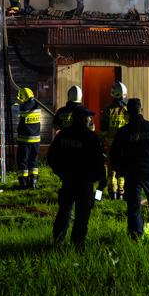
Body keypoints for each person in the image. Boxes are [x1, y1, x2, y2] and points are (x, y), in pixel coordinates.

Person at [110, 98, 149, 239]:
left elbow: (114, 154)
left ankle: (135, 236)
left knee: (133, 207)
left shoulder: (123, 132)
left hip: (131, 174)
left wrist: (120, 171)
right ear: (141, 110)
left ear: (128, 112)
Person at [47, 104, 107, 246]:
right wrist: (102, 180)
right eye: (88, 117)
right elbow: (98, 161)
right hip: (85, 183)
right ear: (83, 120)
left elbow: (52, 157)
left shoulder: (63, 135)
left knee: (64, 212)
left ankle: (58, 241)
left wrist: (61, 173)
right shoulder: (91, 137)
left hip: (68, 181)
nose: (90, 120)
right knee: (82, 216)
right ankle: (77, 244)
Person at [101, 81, 130, 200]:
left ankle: (113, 193)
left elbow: (103, 129)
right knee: (123, 168)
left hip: (112, 145)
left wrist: (101, 143)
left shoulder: (108, 109)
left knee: (112, 169)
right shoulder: (128, 109)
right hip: (126, 145)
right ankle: (121, 193)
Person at [15, 87, 42, 189]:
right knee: (34, 160)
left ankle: (23, 183)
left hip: (24, 140)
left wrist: (18, 102)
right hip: (36, 140)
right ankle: (33, 182)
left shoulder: (23, 108)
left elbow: (15, 108)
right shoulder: (38, 107)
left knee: (23, 160)